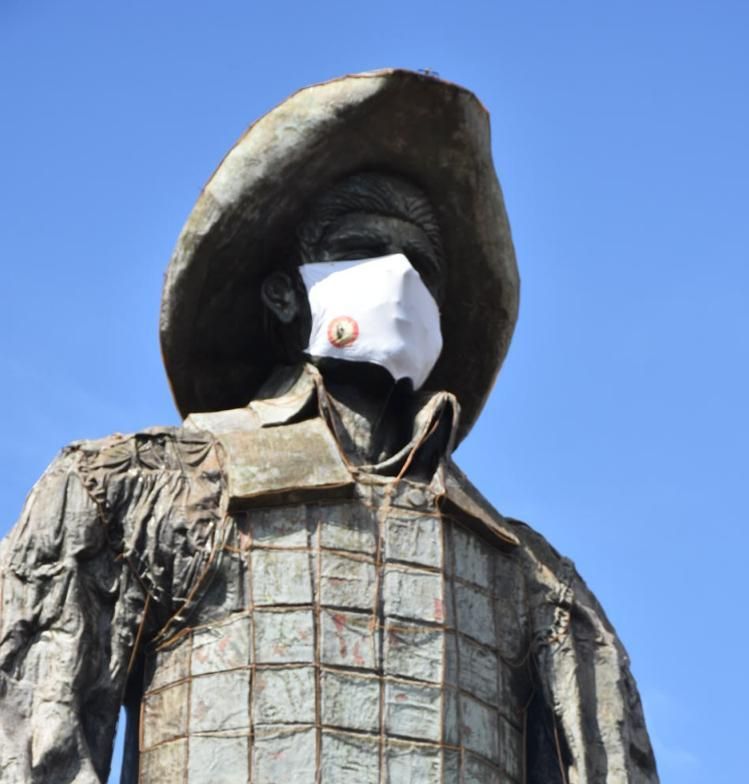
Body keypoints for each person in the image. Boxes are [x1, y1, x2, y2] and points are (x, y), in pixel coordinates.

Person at [0, 70, 658, 783]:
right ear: (284, 293)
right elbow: (35, 741)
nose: (398, 279)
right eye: (362, 250)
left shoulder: (532, 580)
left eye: (422, 268)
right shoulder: (140, 493)